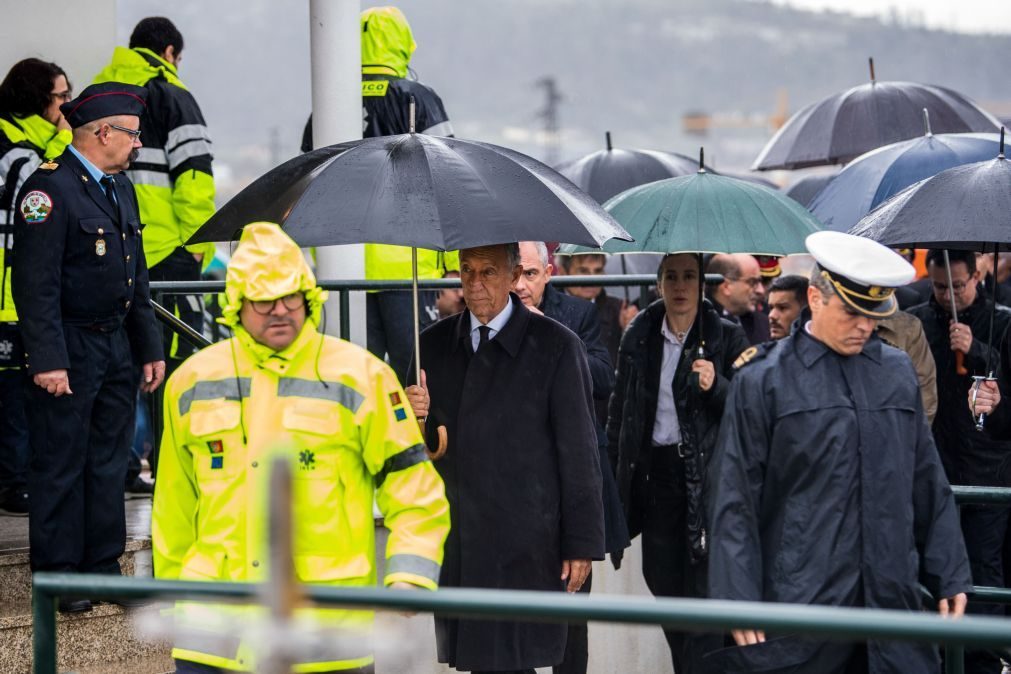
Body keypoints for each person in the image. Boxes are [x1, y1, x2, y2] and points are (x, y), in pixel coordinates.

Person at [153, 222, 450, 674]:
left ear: (310, 295)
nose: (280, 311)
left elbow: (415, 491)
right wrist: (176, 610)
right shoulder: (190, 382)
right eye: (264, 300)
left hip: (328, 637)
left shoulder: (363, 377)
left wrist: (410, 576)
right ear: (236, 305)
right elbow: (174, 508)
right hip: (214, 639)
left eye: (291, 296)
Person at [707, 231, 971, 673]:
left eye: (873, 313)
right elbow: (735, 495)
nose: (864, 326)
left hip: (889, 596)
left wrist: (950, 570)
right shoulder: (763, 380)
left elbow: (925, 476)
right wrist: (737, 592)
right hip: (802, 601)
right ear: (815, 297)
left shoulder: (896, 371)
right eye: (852, 312)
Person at [405, 243, 604, 674]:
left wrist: (581, 543)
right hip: (461, 537)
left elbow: (579, 452)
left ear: (515, 277)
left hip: (529, 540)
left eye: (489, 272)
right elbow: (411, 453)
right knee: (483, 663)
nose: (475, 285)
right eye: (467, 271)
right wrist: (410, 415)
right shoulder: (431, 347)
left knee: (516, 660)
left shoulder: (557, 346)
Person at [11, 82, 165, 613]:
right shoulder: (47, 190)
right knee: (61, 462)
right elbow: (34, 284)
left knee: (106, 461)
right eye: (132, 134)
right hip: (69, 347)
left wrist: (149, 347)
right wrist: (48, 359)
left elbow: (135, 277)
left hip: (115, 344)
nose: (138, 144)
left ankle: (104, 570)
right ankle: (60, 578)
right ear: (103, 132)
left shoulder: (120, 188)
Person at [607, 253, 749, 672]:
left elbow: (751, 411)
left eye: (690, 276)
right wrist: (617, 492)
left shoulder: (724, 335)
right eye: (672, 277)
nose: (681, 286)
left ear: (703, 283)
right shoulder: (640, 334)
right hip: (657, 481)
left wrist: (716, 385)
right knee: (666, 594)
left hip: (707, 485)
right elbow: (621, 415)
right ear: (659, 283)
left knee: (703, 604)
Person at [301, 6, 456, 384]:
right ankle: (417, 445)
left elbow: (305, 184)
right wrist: (454, 263)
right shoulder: (419, 98)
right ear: (403, 45)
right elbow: (449, 179)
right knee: (415, 379)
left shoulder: (328, 103)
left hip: (343, 265)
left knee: (354, 380)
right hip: (407, 264)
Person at [94, 16, 216, 492]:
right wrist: (196, 250)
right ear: (169, 52)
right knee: (175, 369)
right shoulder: (171, 95)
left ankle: (122, 471)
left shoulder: (100, 94)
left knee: (118, 368)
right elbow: (195, 181)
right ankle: (172, 471)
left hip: (109, 254)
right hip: (166, 255)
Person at [513, 241, 628, 674]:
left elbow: (604, 377)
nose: (521, 286)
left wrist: (557, 339)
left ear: (549, 273)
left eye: (531, 275)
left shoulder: (576, 314)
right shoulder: (493, 320)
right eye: (516, 274)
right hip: (519, 484)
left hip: (572, 483)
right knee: (514, 624)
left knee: (571, 617)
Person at [907, 249, 1011, 674]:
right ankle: (939, 653)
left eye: (957, 286)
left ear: (977, 276)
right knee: (936, 564)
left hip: (988, 467)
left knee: (983, 569)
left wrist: (979, 350)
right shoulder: (919, 321)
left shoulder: (1002, 320)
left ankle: (983, 660)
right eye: (938, 286)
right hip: (936, 465)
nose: (949, 295)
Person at [0, 58, 73, 515]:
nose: (67, 104)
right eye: (61, 96)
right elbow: (44, 194)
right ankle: (14, 482)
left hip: (16, 291)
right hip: (9, 292)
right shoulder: (16, 150)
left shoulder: (28, 143)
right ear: (37, 99)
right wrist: (69, 136)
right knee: (12, 394)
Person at [557, 252, 638, 375]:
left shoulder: (619, 309)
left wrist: (628, 332)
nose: (592, 278)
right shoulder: (546, 305)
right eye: (583, 271)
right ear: (563, 272)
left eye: (598, 271)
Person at [705, 253, 770, 344]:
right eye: (752, 282)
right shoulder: (700, 323)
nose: (761, 290)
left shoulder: (764, 324)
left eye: (760, 281)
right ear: (726, 286)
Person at [766, 274, 808, 340]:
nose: (772, 315)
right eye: (771, 308)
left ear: (806, 310)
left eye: (782, 308)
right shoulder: (762, 349)